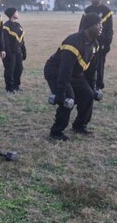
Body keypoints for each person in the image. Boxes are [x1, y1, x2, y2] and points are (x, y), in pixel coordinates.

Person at [44, 13, 102, 141]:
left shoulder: (95, 44)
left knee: (88, 94)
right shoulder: (72, 43)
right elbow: (64, 72)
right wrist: (60, 94)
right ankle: (56, 132)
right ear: (88, 26)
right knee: (68, 97)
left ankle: (79, 126)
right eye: (98, 24)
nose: (101, 27)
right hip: (56, 72)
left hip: (75, 73)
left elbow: (92, 71)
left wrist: (92, 88)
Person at [79, 0, 114, 91]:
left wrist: (107, 43)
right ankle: (86, 82)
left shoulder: (106, 11)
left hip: (101, 43)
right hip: (88, 41)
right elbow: (82, 26)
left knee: (99, 64)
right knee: (86, 62)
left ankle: (99, 85)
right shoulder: (88, 10)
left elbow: (109, 29)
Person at [2, 7, 27, 93]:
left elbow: (22, 40)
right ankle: (9, 88)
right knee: (10, 70)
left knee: (19, 68)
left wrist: (24, 51)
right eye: (16, 12)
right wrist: (8, 53)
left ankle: (16, 85)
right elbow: (5, 42)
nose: (18, 13)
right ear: (12, 14)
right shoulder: (6, 26)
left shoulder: (18, 25)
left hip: (18, 52)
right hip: (10, 53)